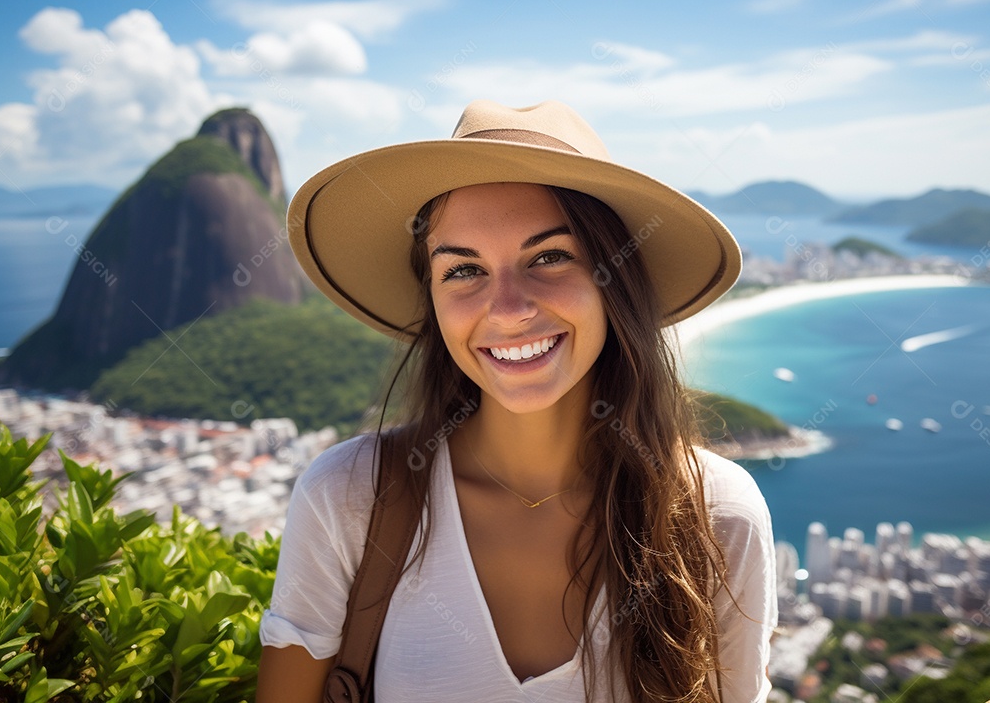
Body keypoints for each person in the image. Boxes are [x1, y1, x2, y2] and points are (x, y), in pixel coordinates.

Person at [256, 100, 777, 702]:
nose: (507, 309)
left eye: (549, 257)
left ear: (615, 282)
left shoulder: (716, 517)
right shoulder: (348, 498)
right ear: (432, 299)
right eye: (463, 270)